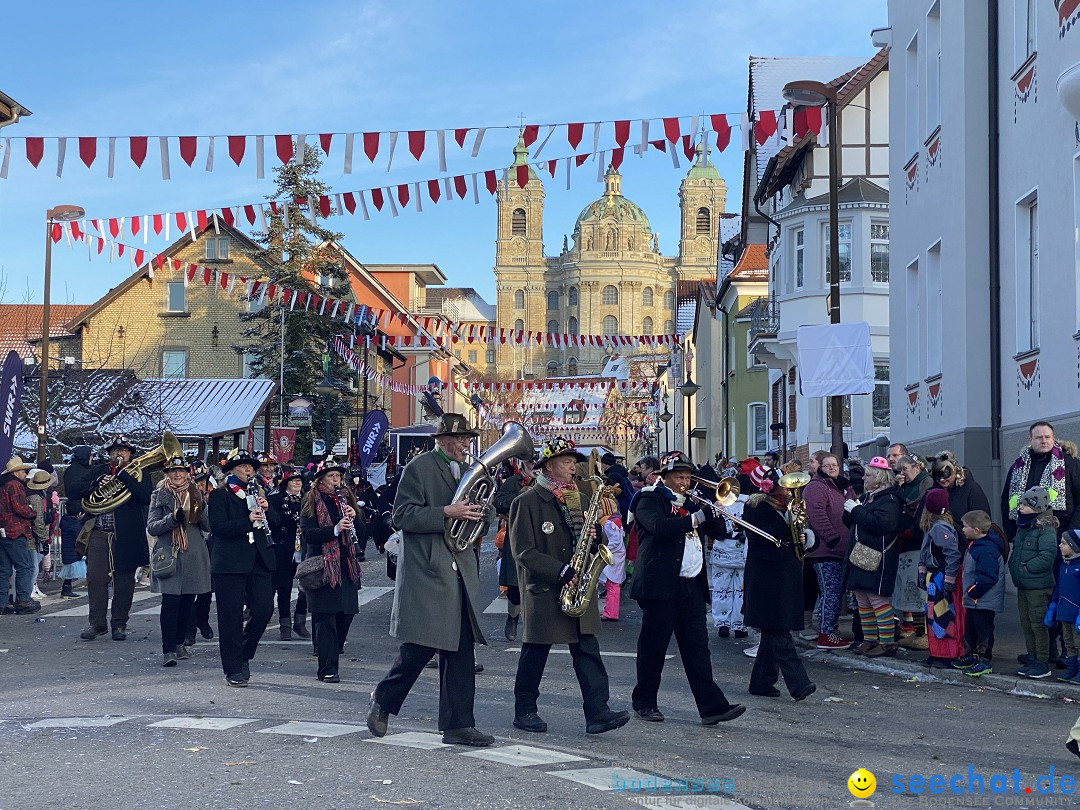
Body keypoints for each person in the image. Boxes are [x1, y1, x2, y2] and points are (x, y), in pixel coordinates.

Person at [367, 413, 495, 747]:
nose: (467, 445)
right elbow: (402, 515)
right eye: (462, 439)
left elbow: (482, 513)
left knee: (461, 650)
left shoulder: (470, 472)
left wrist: (484, 510)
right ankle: (383, 698)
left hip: (460, 570)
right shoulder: (419, 468)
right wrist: (446, 513)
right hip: (428, 570)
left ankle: (458, 725)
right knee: (420, 647)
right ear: (442, 440)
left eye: (469, 439)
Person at [508, 437, 631, 735]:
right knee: (535, 653)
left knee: (588, 650)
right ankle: (525, 710)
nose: (573, 466)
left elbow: (591, 543)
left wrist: (598, 534)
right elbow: (523, 551)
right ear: (549, 466)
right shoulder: (526, 501)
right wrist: (559, 570)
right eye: (566, 461)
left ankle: (597, 711)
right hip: (547, 588)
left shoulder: (582, 498)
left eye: (574, 461)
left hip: (579, 585)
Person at [630, 451, 745, 725]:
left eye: (686, 476)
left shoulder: (693, 502)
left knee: (698, 649)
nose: (683, 481)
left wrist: (713, 511)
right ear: (664, 477)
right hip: (660, 586)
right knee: (653, 647)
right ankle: (644, 702)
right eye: (678, 476)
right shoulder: (648, 498)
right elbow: (660, 528)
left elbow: (717, 532)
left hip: (691, 586)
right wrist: (698, 516)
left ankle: (712, 707)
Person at [741, 465, 816, 700]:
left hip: (787, 575)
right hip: (766, 577)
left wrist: (807, 537)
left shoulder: (792, 507)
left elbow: (800, 535)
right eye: (782, 485)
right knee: (778, 631)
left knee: (773, 631)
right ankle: (799, 683)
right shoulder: (754, 508)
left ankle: (761, 682)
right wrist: (788, 527)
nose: (787, 490)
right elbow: (760, 538)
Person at [208, 448, 276, 687]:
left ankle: (244, 652)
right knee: (230, 618)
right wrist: (246, 521)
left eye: (251, 467)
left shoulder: (258, 493)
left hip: (258, 560)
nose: (249, 470)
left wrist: (268, 510)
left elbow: (276, 523)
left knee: (264, 610)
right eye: (244, 467)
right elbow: (218, 528)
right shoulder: (220, 495)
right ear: (231, 471)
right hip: (230, 562)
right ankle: (233, 668)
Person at [79, 437, 152, 641]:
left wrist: (123, 476)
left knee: (124, 582)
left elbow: (145, 496)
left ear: (130, 454)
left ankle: (119, 624)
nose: (119, 454)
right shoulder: (100, 471)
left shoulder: (139, 473)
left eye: (123, 450)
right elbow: (75, 489)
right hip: (100, 532)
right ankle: (97, 623)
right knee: (95, 579)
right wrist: (95, 484)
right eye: (115, 450)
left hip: (126, 535)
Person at [300, 463, 363, 683]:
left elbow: (362, 534)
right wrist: (335, 529)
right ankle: (327, 668)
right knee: (325, 619)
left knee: (345, 615)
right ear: (321, 479)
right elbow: (308, 534)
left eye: (338, 476)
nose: (336, 480)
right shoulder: (312, 499)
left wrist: (355, 517)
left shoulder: (347, 498)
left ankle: (332, 657)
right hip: (323, 564)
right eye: (331, 476)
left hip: (346, 565)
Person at [147, 455, 211, 667]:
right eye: (172, 471)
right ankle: (168, 650)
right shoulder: (159, 495)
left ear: (187, 474)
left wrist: (202, 507)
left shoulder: (195, 493)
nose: (177, 474)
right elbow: (152, 527)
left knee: (187, 602)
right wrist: (171, 520)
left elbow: (207, 526)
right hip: (170, 553)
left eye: (181, 471)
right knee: (170, 602)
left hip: (193, 553)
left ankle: (180, 643)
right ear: (166, 474)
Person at [842, 457, 904, 657]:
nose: (864, 479)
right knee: (863, 600)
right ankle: (870, 639)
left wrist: (857, 510)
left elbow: (880, 524)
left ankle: (887, 643)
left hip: (879, 556)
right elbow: (852, 521)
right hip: (862, 554)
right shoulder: (870, 496)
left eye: (868, 475)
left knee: (877, 600)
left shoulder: (891, 499)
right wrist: (850, 509)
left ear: (879, 478)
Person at [802, 452, 855, 649]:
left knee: (836, 592)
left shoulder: (840, 485)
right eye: (827, 466)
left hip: (842, 549)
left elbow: (852, 507)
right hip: (826, 549)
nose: (832, 468)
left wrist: (847, 488)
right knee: (830, 592)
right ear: (820, 468)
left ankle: (831, 629)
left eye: (835, 465)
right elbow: (816, 514)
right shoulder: (816, 487)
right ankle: (826, 633)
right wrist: (832, 538)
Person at [1007, 486, 1058, 679]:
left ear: (1037, 507)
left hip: (1038, 586)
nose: (1020, 507)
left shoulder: (1045, 528)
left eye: (1025, 504)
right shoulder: (1025, 525)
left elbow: (1047, 556)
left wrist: (1027, 567)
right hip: (1024, 585)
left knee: (1038, 624)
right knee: (1027, 623)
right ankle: (1033, 655)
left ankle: (1042, 662)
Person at [1001, 421, 1080, 540]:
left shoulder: (1069, 464)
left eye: (1047, 437)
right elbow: (1006, 499)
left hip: (1059, 534)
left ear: (1053, 438)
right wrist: (1011, 532)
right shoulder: (1018, 467)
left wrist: (1071, 532)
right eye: (1039, 437)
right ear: (1030, 439)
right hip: (1024, 534)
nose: (1044, 441)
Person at [953, 510, 1007, 677]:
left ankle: (984, 660)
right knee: (971, 629)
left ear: (976, 530)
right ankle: (971, 656)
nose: (962, 529)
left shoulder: (986, 550)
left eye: (965, 526)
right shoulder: (976, 545)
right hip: (975, 599)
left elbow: (988, 577)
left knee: (983, 630)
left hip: (981, 599)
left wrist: (972, 591)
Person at [918, 488, 966, 669]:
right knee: (934, 615)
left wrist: (949, 580)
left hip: (942, 577)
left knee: (943, 616)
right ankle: (937, 651)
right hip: (937, 577)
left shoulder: (939, 527)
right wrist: (922, 572)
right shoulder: (937, 526)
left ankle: (947, 653)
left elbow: (952, 555)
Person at [493, 458, 536, 641]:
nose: (534, 465)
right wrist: (520, 494)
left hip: (540, 536)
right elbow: (498, 503)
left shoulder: (549, 483)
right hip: (517, 535)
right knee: (514, 585)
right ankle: (513, 616)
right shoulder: (512, 482)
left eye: (537, 462)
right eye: (531, 462)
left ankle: (534, 623)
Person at [894, 454, 932, 645]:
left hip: (919, 541)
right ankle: (917, 631)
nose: (902, 474)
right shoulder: (903, 488)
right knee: (910, 589)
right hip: (905, 544)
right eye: (899, 471)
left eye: (905, 470)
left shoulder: (926, 484)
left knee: (921, 589)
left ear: (916, 467)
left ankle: (925, 632)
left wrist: (911, 531)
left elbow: (924, 510)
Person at [267, 471, 307, 641]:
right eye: (293, 481)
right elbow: (273, 522)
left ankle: (300, 621)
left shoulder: (308, 498)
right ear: (286, 483)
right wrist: (289, 515)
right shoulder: (275, 499)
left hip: (303, 547)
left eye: (299, 480)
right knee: (283, 587)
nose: (297, 483)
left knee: (306, 585)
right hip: (284, 548)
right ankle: (285, 625)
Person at [0, 458, 39, 614]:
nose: (25, 474)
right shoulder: (15, 485)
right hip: (15, 530)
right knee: (25, 566)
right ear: (16, 472)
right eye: (23, 471)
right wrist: (33, 513)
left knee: (4, 569)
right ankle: (23, 600)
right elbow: (20, 508)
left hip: (2, 530)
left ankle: (2, 603)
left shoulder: (2, 485)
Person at [1046, 530, 1080, 684]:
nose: (1060, 546)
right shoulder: (1064, 565)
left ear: (1075, 546)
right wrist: (1053, 606)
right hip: (1064, 612)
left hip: (1076, 614)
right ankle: (1071, 670)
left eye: (1064, 543)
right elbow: (1059, 588)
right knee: (1069, 643)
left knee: (1079, 643)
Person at [58, 501, 85, 598]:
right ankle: (66, 590)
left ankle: (66, 589)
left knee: (69, 573)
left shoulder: (66, 521)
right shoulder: (75, 525)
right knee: (70, 573)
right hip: (73, 552)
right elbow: (78, 538)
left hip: (68, 551)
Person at [600, 452, 633, 522]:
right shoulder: (621, 473)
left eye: (602, 464)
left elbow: (609, 495)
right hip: (628, 506)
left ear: (604, 464)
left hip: (621, 509)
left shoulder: (612, 476)